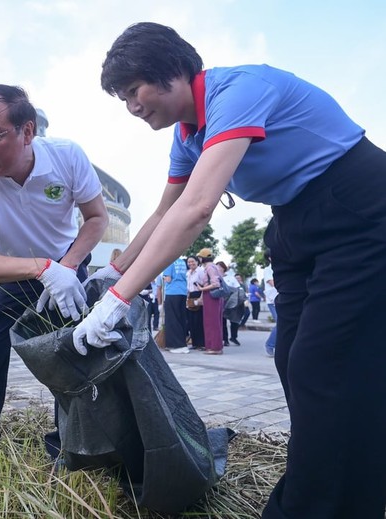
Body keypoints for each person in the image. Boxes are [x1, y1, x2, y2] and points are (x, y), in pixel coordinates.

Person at [75, 22, 386, 517]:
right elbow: (162, 213)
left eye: (133, 91)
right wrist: (115, 273)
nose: (132, 107)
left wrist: (118, 302)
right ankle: (357, 487)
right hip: (294, 221)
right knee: (293, 361)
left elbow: (196, 209)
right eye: (122, 99)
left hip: (358, 205)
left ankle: (310, 504)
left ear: (171, 72)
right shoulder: (186, 136)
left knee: (321, 366)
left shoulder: (238, 89)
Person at [0, 84, 108, 460]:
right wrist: (42, 269)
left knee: (72, 356)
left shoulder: (66, 157)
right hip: (10, 272)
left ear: (27, 131)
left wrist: (67, 267)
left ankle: (69, 446)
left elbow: (97, 218)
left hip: (67, 267)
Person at [194, 249, 224, 354]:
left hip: (211, 295)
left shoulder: (210, 267)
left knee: (212, 322)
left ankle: (214, 347)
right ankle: (213, 346)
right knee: (213, 321)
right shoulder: (214, 266)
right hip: (213, 295)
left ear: (202, 258)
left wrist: (202, 289)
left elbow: (215, 283)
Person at [161, 256, 189, 353]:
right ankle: (182, 343)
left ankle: (175, 345)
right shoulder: (182, 262)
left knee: (172, 319)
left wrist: (163, 277)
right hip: (182, 291)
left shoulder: (169, 261)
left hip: (172, 291)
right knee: (181, 318)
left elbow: (168, 279)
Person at [217, 261, 243, 346]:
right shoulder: (216, 278)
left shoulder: (231, 277)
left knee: (234, 320)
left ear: (224, 268)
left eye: (220, 267)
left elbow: (238, 288)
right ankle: (225, 339)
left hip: (232, 300)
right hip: (221, 300)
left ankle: (234, 337)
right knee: (223, 321)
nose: (219, 269)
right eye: (217, 267)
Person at [185, 255, 205, 350]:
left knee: (199, 320)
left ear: (197, 262)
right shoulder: (188, 273)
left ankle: (202, 343)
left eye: (193, 261)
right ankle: (195, 343)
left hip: (199, 294)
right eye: (189, 262)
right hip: (191, 295)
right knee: (191, 320)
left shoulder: (200, 271)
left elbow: (204, 284)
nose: (191, 263)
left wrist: (201, 298)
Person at [263, 249, 278, 358]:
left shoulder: (279, 267)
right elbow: (273, 283)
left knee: (283, 323)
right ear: (270, 258)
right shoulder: (268, 270)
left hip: (281, 298)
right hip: (273, 301)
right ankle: (270, 344)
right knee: (281, 322)